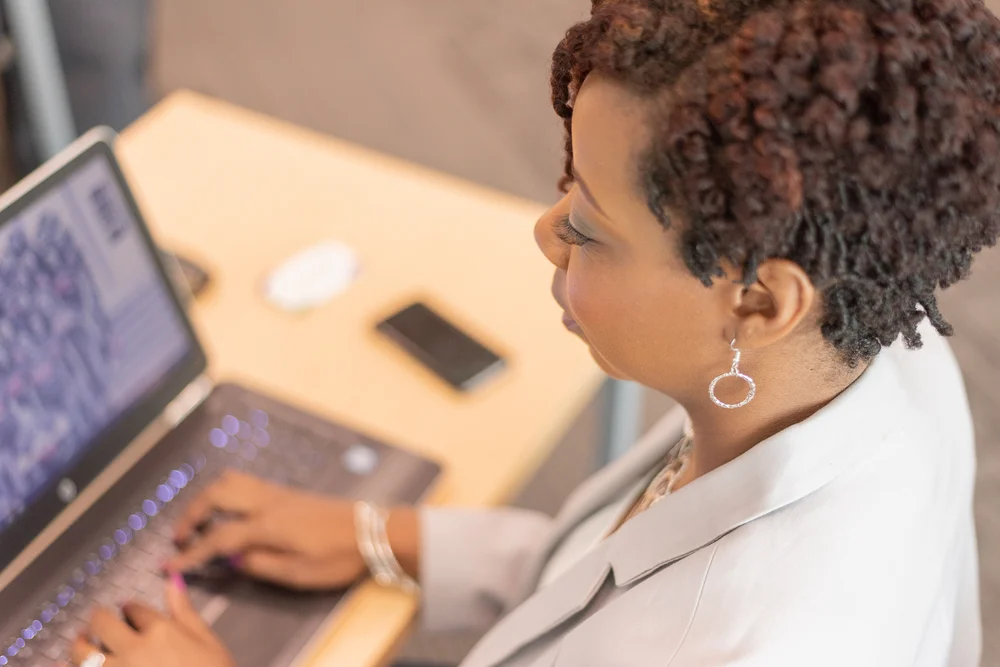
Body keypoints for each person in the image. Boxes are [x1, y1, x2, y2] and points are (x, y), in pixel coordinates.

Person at [69, 0, 1000, 664]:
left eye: (590, 226)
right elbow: (613, 565)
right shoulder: (885, 358)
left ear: (760, 303)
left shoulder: (741, 644)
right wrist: (385, 537)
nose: (546, 230)